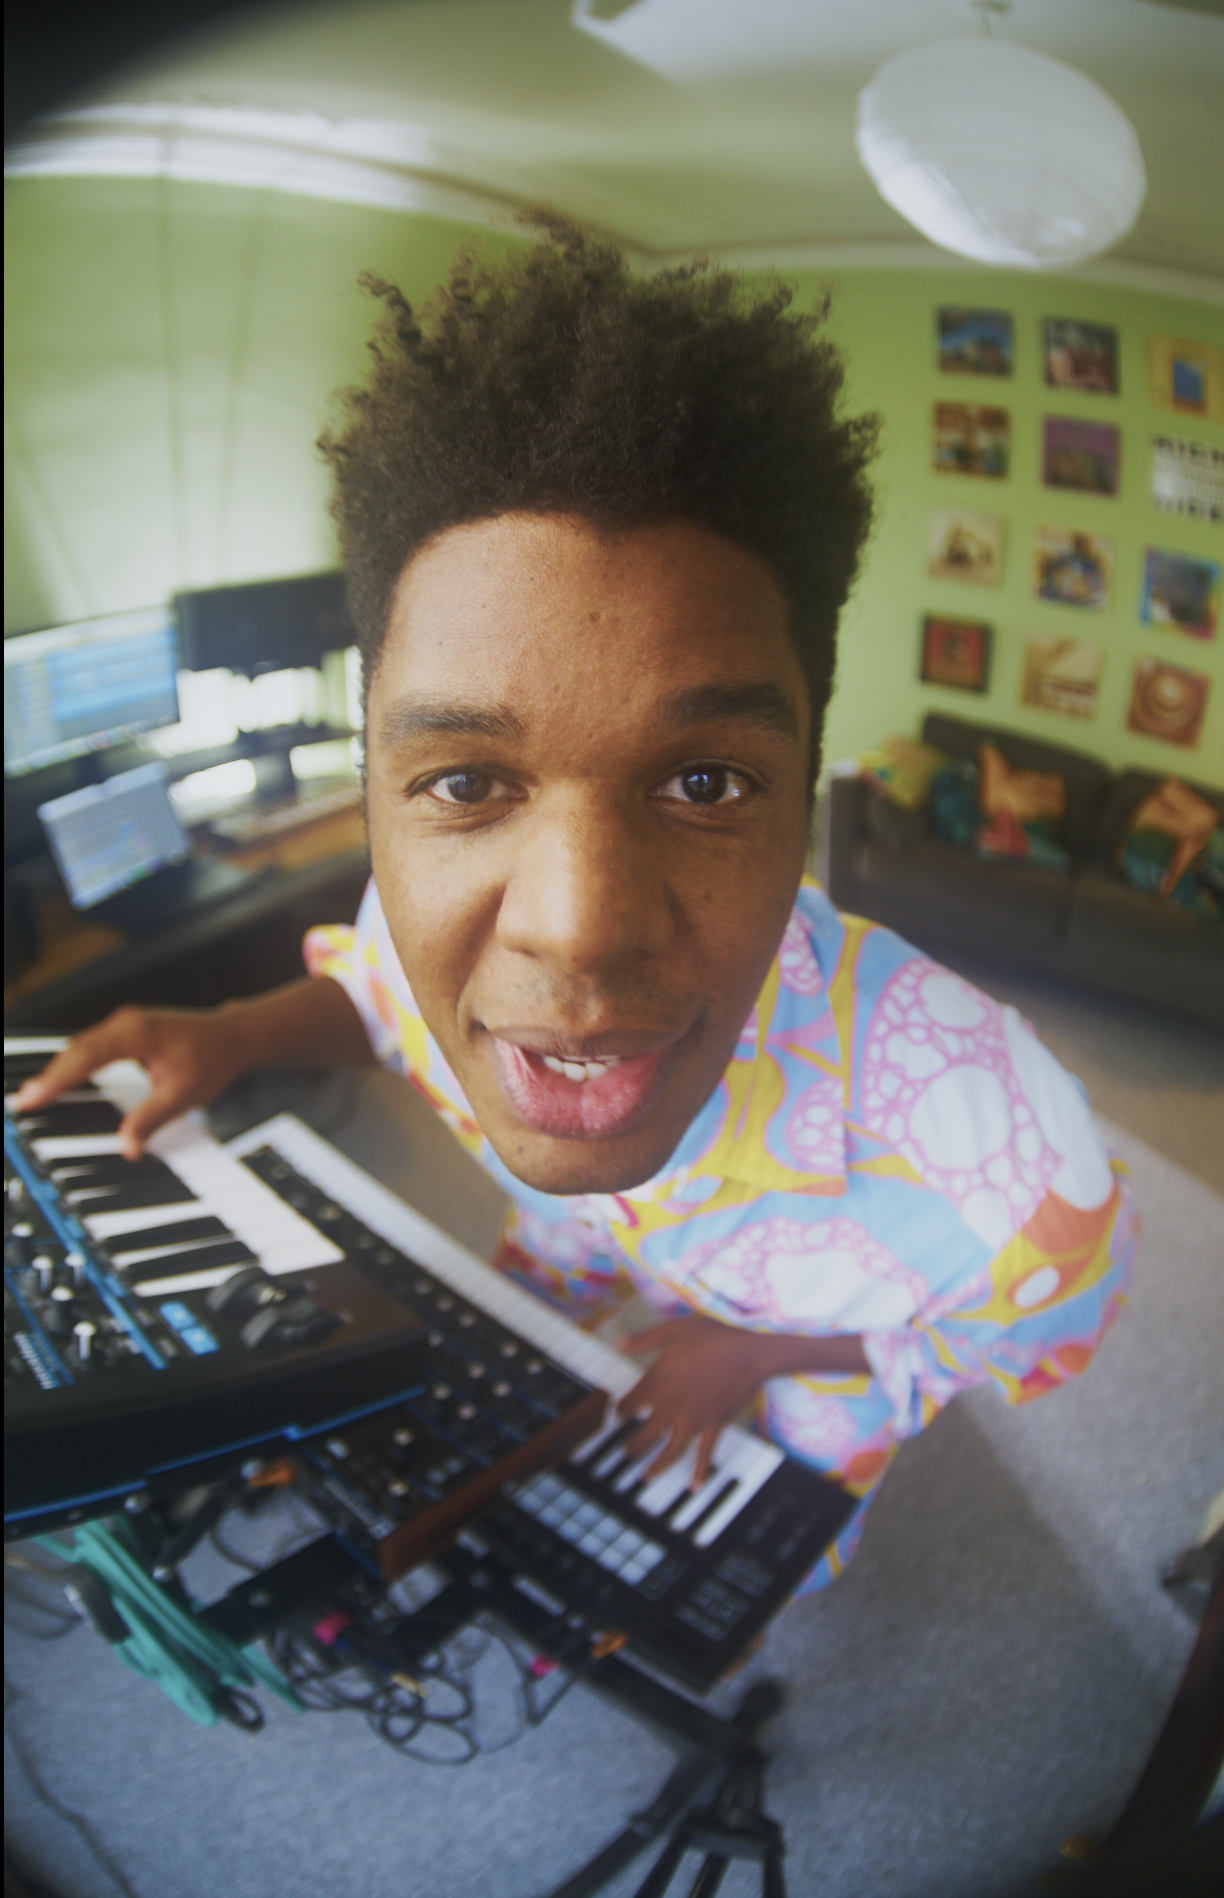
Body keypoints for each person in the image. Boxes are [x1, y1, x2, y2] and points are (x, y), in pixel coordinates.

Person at [15, 218, 1135, 1593]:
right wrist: (232, 1035)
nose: (575, 929)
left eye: (708, 780)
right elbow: (376, 995)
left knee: (707, 1573)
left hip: (803, 1380)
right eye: (466, 780)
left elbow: (1032, 1326)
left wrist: (760, 1351)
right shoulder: (408, 922)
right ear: (375, 782)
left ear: (807, 796)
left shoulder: (1016, 1153)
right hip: (559, 1284)